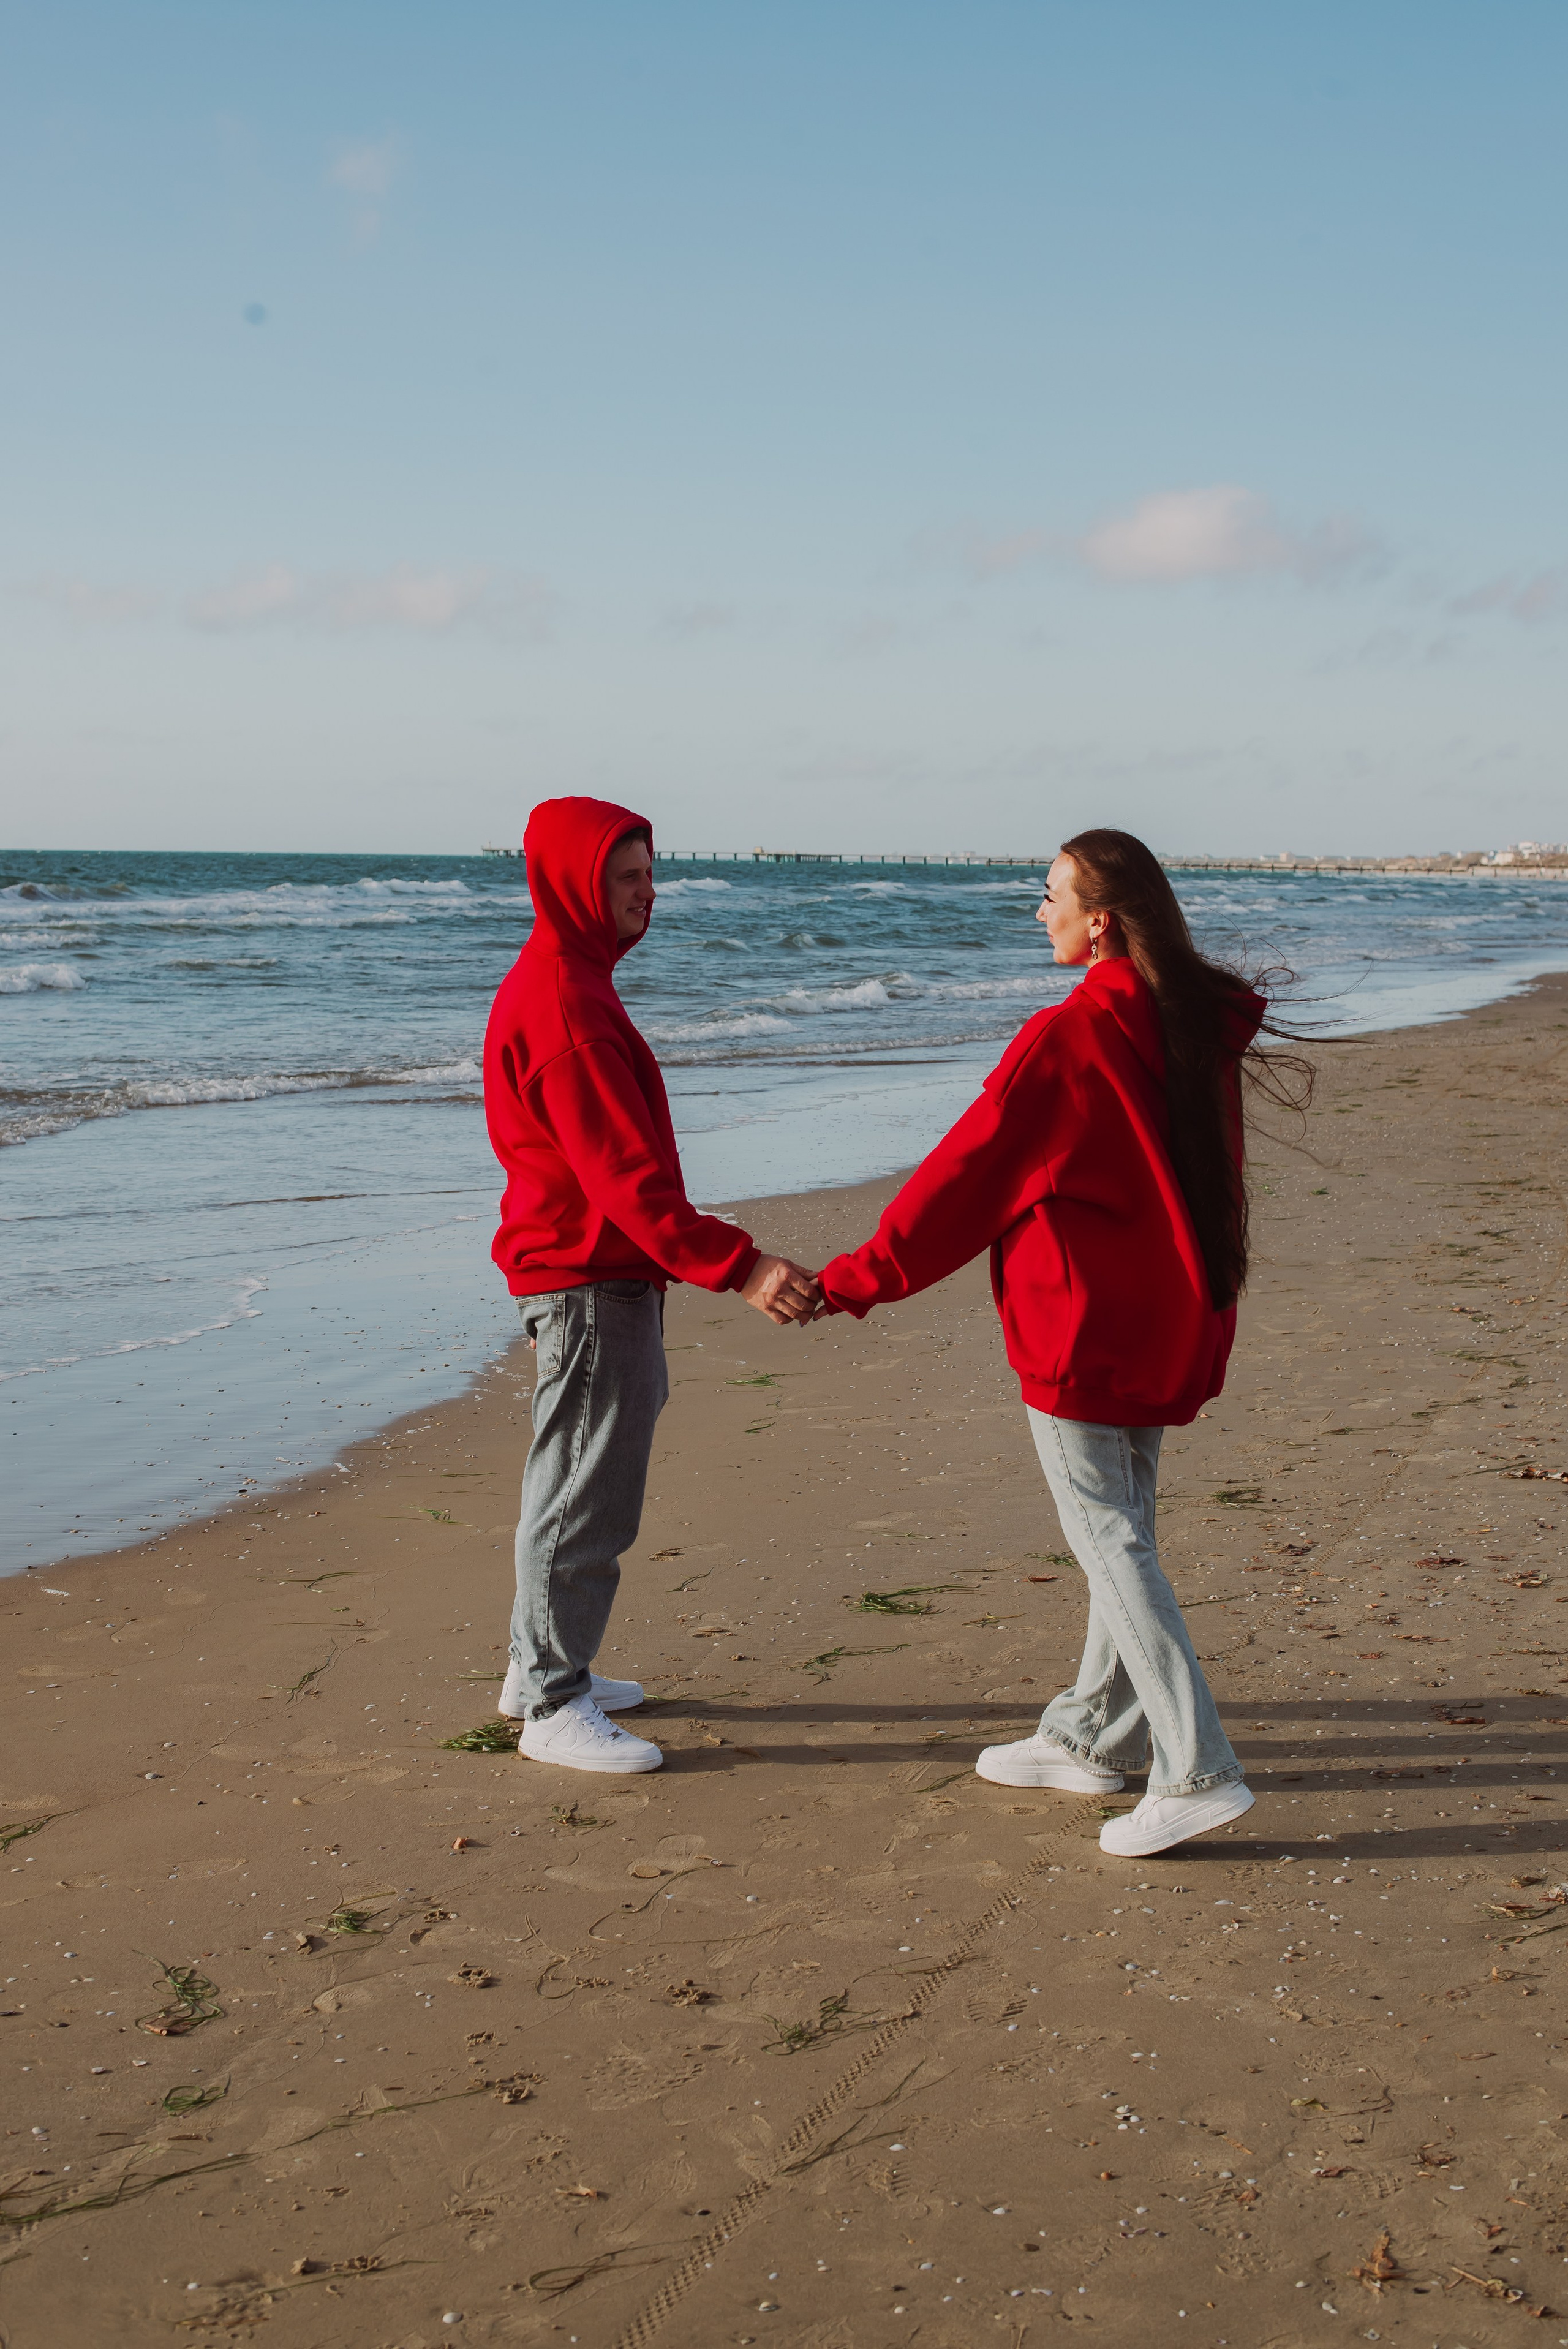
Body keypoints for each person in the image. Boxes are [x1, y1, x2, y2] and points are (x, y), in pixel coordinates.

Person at [812, 829, 1307, 1857]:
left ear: (1101, 924)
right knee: (1120, 1531)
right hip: (1167, 1314)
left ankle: (1198, 1766)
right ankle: (1090, 1734)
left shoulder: (1072, 1037)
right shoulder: (1185, 1025)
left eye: (1051, 898)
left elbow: (966, 1180)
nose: (1039, 914)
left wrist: (854, 1280)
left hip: (1082, 1328)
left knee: (1110, 1537)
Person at [483, 796, 818, 1774]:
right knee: (590, 1484)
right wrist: (740, 1265)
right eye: (626, 878)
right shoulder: (564, 1003)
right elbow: (625, 1183)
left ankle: (536, 1665)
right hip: (587, 1274)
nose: (647, 894)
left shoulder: (574, 980)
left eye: (648, 874)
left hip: (594, 1270)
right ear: (576, 884)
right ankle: (550, 1698)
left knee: (575, 1468)